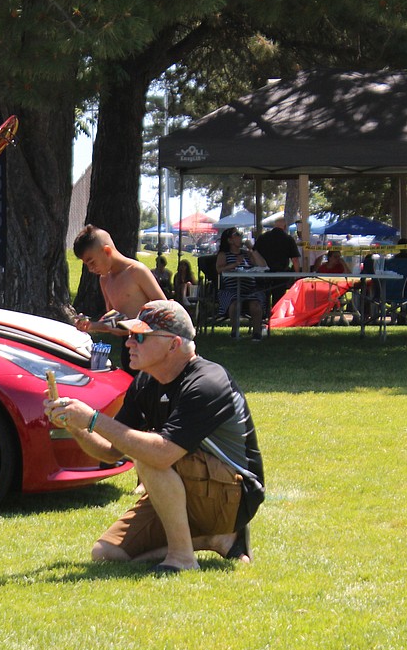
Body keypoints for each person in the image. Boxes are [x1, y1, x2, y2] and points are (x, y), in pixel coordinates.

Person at [44, 300, 264, 573]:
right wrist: (76, 425)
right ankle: (211, 539)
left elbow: (162, 454)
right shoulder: (146, 381)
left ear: (173, 344)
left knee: (148, 454)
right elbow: (111, 451)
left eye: (140, 337)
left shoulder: (207, 382)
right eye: (130, 336)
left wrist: (93, 419)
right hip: (189, 486)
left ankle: (183, 558)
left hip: (232, 496)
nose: (128, 344)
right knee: (107, 553)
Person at [71, 224, 166, 372]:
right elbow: (114, 321)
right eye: (86, 265)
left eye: (92, 262)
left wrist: (134, 328)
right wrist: (90, 326)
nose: (91, 269)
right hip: (128, 350)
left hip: (150, 349)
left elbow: (165, 312)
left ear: (107, 251)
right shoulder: (104, 280)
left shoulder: (136, 271)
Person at [215, 228, 268, 341]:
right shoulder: (224, 254)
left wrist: (252, 249)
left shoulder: (247, 253)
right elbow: (219, 270)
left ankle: (257, 334)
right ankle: (235, 332)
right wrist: (234, 264)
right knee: (235, 304)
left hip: (249, 288)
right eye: (237, 234)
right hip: (231, 288)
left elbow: (263, 266)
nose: (241, 236)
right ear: (230, 240)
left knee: (256, 304)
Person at [253, 218, 302, 305]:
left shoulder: (262, 237)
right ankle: (275, 316)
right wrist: (297, 275)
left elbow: (254, 253)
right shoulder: (288, 239)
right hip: (281, 274)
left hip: (264, 273)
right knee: (278, 300)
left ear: (274, 225)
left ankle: (265, 315)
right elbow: (295, 259)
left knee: (264, 297)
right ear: (285, 226)